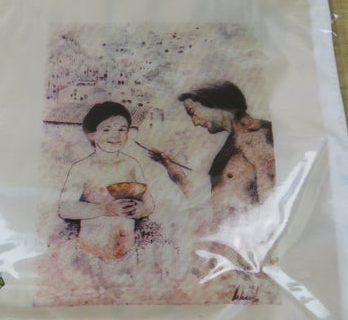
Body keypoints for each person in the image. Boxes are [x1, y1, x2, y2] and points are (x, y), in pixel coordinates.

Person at [151, 81, 275, 220]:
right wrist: (178, 176)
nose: (195, 122)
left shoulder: (257, 136)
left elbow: (270, 199)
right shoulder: (235, 141)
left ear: (212, 102)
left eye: (192, 112)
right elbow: (212, 203)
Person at [58, 101, 155, 261]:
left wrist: (142, 209)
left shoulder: (132, 165)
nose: (115, 135)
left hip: (127, 252)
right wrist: (104, 209)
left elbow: (149, 202)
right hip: (91, 252)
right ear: (92, 134)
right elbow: (65, 208)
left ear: (128, 133)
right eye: (106, 129)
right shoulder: (81, 168)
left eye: (121, 130)